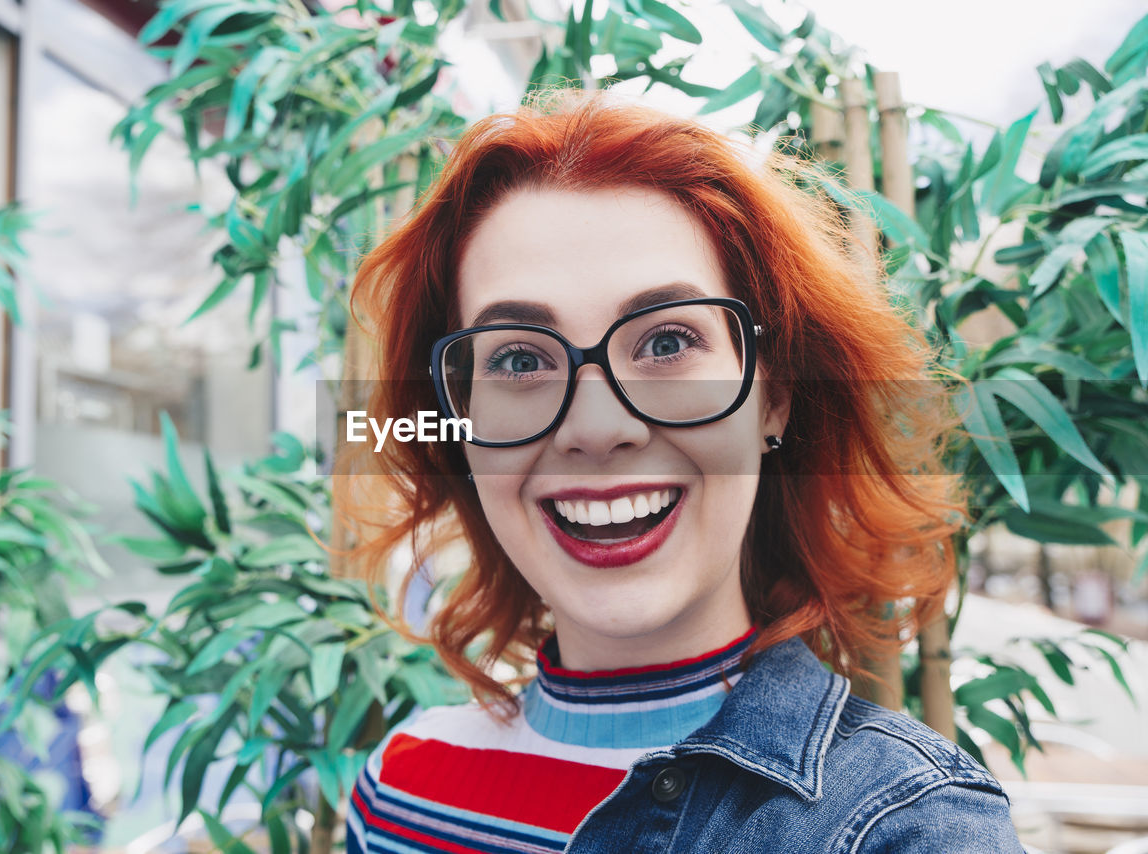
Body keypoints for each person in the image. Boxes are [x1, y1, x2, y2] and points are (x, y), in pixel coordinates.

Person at [339, 89, 1024, 852]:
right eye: (521, 359)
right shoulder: (399, 794)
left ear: (775, 398)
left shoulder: (904, 826)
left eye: (667, 343)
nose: (597, 429)